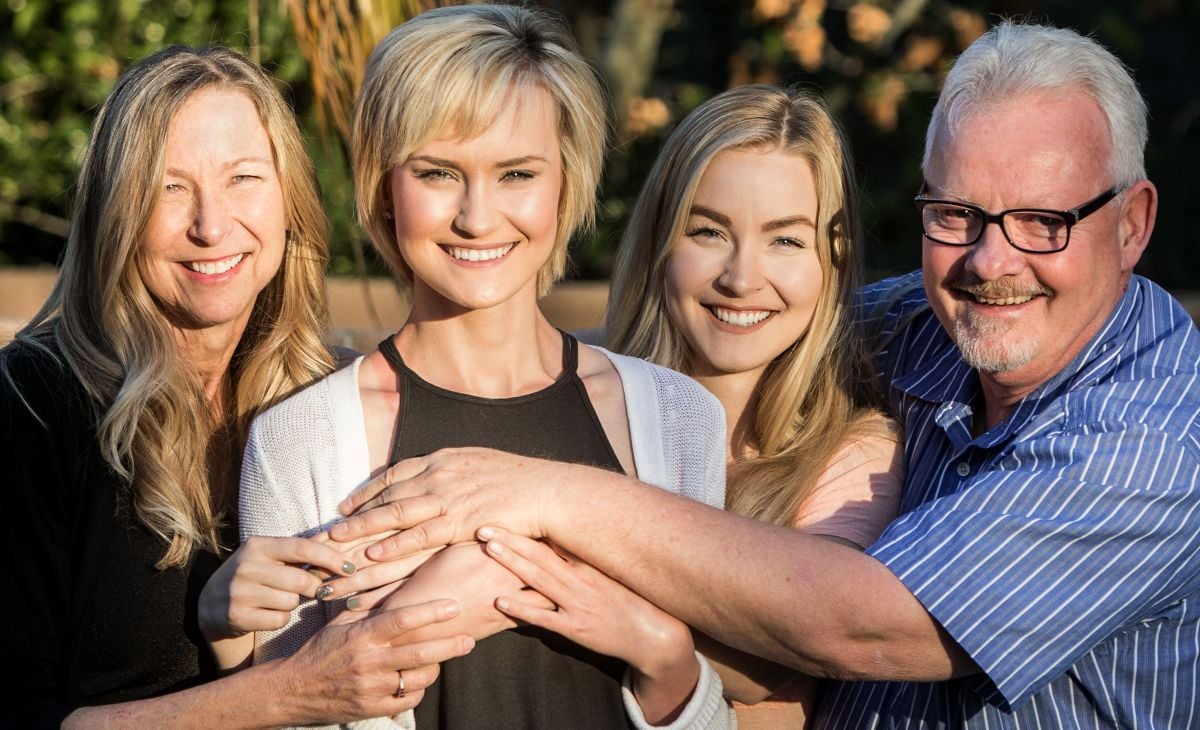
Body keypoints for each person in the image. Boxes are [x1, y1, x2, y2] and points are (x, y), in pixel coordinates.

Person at [329, 20, 1200, 729]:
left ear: (1132, 223)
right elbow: (747, 317)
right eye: (956, 212)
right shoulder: (929, 322)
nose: (991, 259)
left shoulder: (1148, 444)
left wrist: (543, 494)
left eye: (1044, 221)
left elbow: (855, 625)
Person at [237, 5, 728, 729]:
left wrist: (670, 665)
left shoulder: (680, 418)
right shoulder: (298, 438)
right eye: (438, 172)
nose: (477, 217)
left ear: (568, 181)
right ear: (383, 185)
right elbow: (282, 712)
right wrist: (408, 622)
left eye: (517, 173)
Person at [1, 45, 473, 728]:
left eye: (243, 178)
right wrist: (287, 691)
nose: (211, 225)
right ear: (115, 213)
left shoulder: (336, 396)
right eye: (169, 187)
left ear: (291, 200)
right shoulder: (34, 399)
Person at [492, 83, 901, 727]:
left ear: (834, 255)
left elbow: (781, 655)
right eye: (709, 231)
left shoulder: (852, 457)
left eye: (786, 240)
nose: (741, 278)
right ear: (661, 241)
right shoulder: (575, 391)